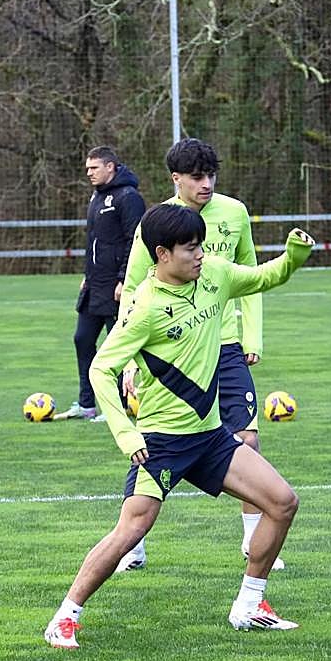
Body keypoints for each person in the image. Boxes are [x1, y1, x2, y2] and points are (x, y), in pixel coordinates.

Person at [43, 205, 314, 649]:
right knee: (131, 530)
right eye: (191, 248)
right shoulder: (144, 307)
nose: (201, 255)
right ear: (161, 253)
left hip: (209, 438)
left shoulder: (214, 275)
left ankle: (250, 605)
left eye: (202, 245)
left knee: (282, 502)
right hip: (160, 444)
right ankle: (65, 616)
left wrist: (293, 256)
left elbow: (266, 277)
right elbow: (101, 370)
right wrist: (127, 435)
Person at [116, 138, 275, 572]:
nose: (206, 184)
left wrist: (251, 339)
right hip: (171, 349)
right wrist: (131, 359)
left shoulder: (235, 213)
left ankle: (251, 540)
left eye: (211, 176)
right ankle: (132, 539)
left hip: (224, 345)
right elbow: (132, 290)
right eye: (197, 177)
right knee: (156, 446)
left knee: (249, 438)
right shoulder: (156, 224)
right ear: (176, 179)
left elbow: (253, 276)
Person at [58, 146, 145, 421]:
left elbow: (136, 240)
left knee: (116, 347)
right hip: (94, 285)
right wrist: (87, 274)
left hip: (116, 287)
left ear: (110, 167)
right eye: (87, 169)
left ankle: (117, 406)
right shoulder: (96, 196)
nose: (89, 173)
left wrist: (123, 279)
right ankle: (86, 404)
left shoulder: (129, 197)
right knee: (82, 339)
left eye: (93, 168)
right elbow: (94, 241)